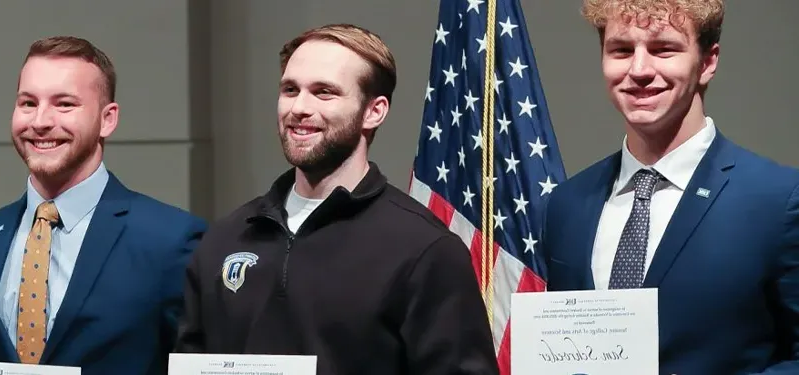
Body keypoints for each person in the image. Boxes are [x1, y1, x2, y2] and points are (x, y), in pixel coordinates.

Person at [173, 24, 498, 374]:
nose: (299, 107)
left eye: (323, 92)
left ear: (374, 111)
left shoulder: (425, 249)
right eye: (289, 89)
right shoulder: (226, 238)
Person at [540, 1, 799, 373]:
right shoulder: (566, 205)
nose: (639, 70)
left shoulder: (779, 200)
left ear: (707, 62)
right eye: (622, 50)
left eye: (663, 49)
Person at [0, 36, 207, 374]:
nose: (40, 121)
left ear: (107, 119)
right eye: (28, 103)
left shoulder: (170, 240)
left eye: (64, 104)